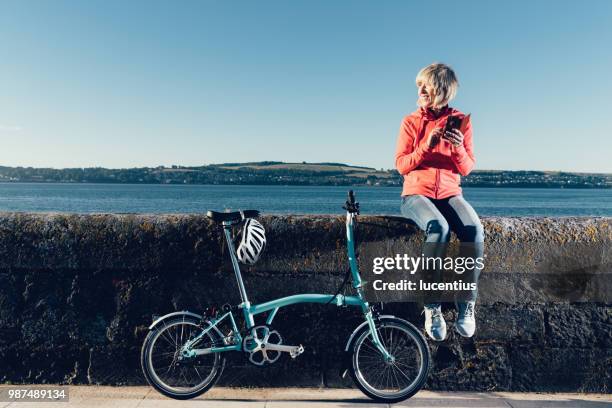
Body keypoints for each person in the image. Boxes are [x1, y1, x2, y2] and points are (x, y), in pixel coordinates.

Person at [395, 63, 484, 341]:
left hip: (449, 193)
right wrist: (427, 145)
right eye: (419, 85)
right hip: (415, 194)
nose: (420, 90)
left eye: (426, 86)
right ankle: (431, 307)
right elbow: (402, 165)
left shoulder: (460, 120)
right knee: (439, 228)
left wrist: (456, 147)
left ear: (442, 90)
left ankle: (466, 304)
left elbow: (467, 167)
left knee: (473, 230)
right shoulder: (410, 122)